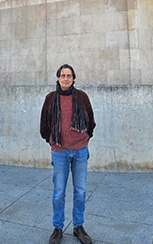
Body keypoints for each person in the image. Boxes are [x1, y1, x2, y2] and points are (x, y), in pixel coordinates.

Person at [40, 64, 96, 244]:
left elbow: (91, 120)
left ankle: (78, 226)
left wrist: (86, 137)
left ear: (73, 78)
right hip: (60, 152)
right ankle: (57, 228)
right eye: (62, 75)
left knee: (80, 192)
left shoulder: (81, 97)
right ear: (57, 78)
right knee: (58, 193)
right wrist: (51, 140)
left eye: (69, 76)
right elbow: (44, 124)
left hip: (80, 150)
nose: (66, 78)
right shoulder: (50, 98)